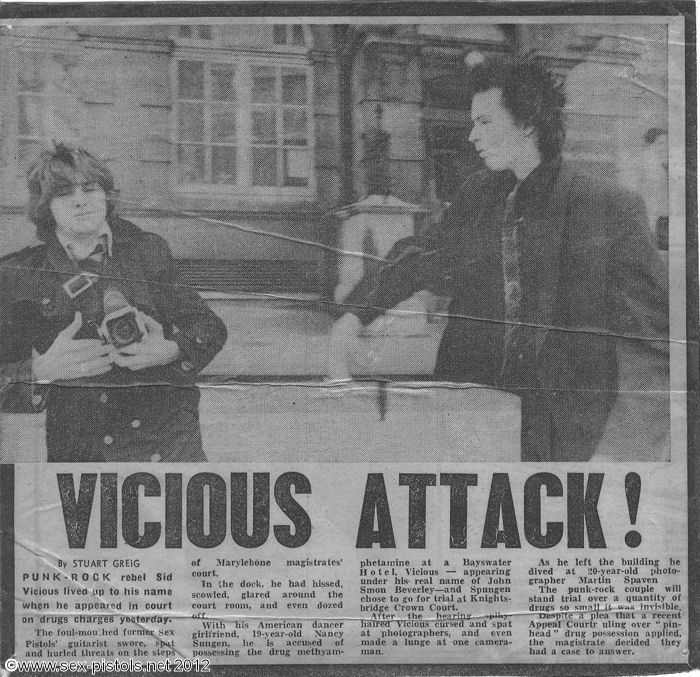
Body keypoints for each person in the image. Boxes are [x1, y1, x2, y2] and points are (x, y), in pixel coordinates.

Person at [327, 57, 670, 462]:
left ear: (528, 123)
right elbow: (422, 255)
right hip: (473, 415)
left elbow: (656, 341)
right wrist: (352, 317)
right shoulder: (480, 193)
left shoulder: (606, 206)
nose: (472, 136)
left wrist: (620, 454)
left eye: (485, 122)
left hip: (563, 432)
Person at [0, 143, 227, 462]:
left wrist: (171, 349)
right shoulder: (20, 273)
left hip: (165, 441)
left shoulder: (147, 251)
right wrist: (41, 369)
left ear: (106, 196)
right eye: (64, 193)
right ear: (44, 206)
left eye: (90, 189)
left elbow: (210, 326)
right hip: (84, 451)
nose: (80, 201)